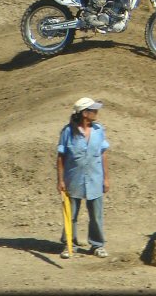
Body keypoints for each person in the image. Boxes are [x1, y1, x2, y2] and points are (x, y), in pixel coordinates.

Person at [57, 97, 110, 259]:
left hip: (95, 178)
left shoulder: (98, 130)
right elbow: (61, 157)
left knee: (96, 214)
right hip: (73, 179)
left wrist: (106, 178)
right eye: (93, 110)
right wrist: (60, 180)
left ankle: (97, 245)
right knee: (71, 213)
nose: (96, 113)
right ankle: (69, 244)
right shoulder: (67, 132)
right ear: (85, 113)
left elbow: (103, 154)